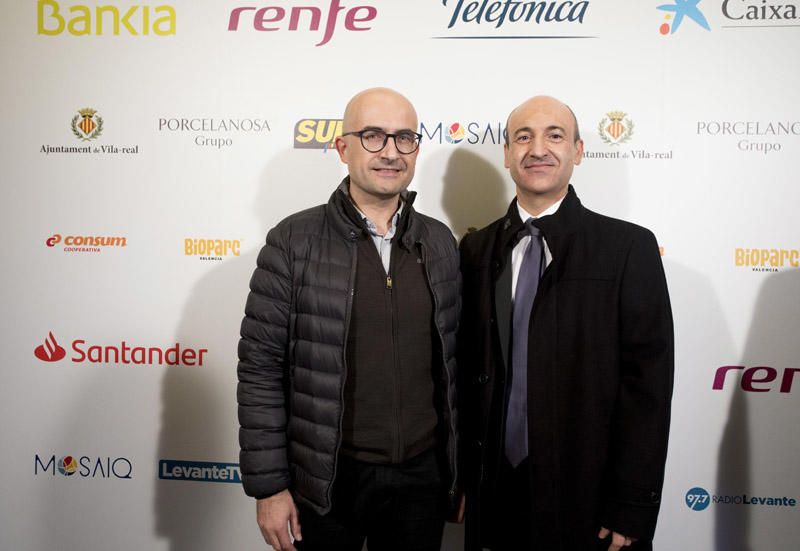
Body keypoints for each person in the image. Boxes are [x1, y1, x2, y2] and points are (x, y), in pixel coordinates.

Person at [237, 87, 460, 551]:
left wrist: (458, 473)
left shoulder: (440, 244)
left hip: (422, 481)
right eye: (373, 136)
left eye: (404, 138)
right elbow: (260, 371)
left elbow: (457, 369)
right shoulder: (293, 242)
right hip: (326, 482)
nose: (390, 152)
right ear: (343, 147)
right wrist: (269, 487)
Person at [459, 96, 674, 551]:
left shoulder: (628, 248)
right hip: (494, 494)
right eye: (523, 137)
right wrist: (462, 480)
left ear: (578, 151)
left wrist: (631, 503)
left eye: (554, 135)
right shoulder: (475, 252)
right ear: (506, 153)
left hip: (590, 500)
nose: (538, 149)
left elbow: (648, 389)